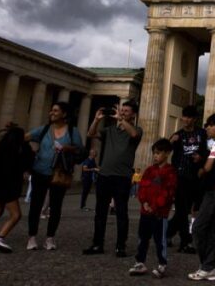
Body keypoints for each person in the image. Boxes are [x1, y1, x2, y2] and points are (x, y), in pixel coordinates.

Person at [84, 99, 142, 257]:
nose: (122, 112)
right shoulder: (109, 130)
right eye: (122, 110)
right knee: (100, 212)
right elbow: (90, 134)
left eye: (126, 111)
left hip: (122, 177)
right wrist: (96, 120)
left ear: (133, 115)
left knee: (121, 212)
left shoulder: (137, 130)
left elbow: (134, 134)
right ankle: (97, 244)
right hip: (104, 175)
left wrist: (122, 120)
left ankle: (120, 246)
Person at [25, 101, 84, 251]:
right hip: (40, 170)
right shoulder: (44, 129)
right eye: (51, 110)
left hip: (60, 173)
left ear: (64, 114)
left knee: (56, 207)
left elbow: (80, 150)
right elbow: (25, 137)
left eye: (56, 111)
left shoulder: (72, 131)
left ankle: (50, 238)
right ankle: (32, 237)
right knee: (36, 205)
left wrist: (66, 148)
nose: (52, 113)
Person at [188, 112, 215, 282]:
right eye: (207, 124)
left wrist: (201, 169)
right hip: (213, 189)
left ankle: (207, 266)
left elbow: (207, 167)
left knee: (198, 227)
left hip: (214, 190)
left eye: (211, 124)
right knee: (209, 229)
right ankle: (209, 267)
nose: (207, 127)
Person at [130, 138, 177, 278]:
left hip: (159, 213)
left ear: (167, 153)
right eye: (154, 153)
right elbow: (142, 188)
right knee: (142, 237)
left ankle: (162, 264)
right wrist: (144, 202)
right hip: (145, 211)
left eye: (158, 153)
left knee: (159, 240)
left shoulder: (170, 172)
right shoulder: (149, 170)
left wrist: (155, 206)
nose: (155, 156)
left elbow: (168, 193)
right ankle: (140, 262)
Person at [168, 105, 207, 254]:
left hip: (196, 176)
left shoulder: (202, 134)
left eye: (190, 117)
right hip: (180, 175)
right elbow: (162, 150)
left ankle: (167, 233)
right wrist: (171, 140)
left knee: (183, 210)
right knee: (182, 209)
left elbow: (206, 150)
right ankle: (186, 242)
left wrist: (201, 158)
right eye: (185, 116)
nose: (186, 120)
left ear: (195, 119)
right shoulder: (177, 135)